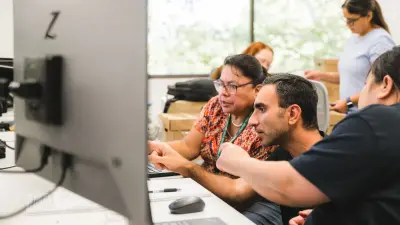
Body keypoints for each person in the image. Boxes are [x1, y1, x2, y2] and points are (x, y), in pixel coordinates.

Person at [217, 46, 400, 225]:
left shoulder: (378, 120)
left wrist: (239, 162)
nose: (358, 97)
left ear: (385, 85)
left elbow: (291, 186)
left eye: (366, 84)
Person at [151, 72, 324, 225]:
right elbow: (238, 189)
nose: (252, 121)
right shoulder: (282, 153)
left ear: (292, 114)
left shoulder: (337, 163)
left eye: (262, 109)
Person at [305, 0, 395, 113]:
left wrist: (349, 102)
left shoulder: (381, 41)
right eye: (346, 19)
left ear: (368, 16)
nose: (347, 25)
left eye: (352, 20)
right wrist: (321, 75)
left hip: (369, 113)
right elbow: (351, 75)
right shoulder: (354, 38)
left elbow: (381, 83)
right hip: (353, 111)